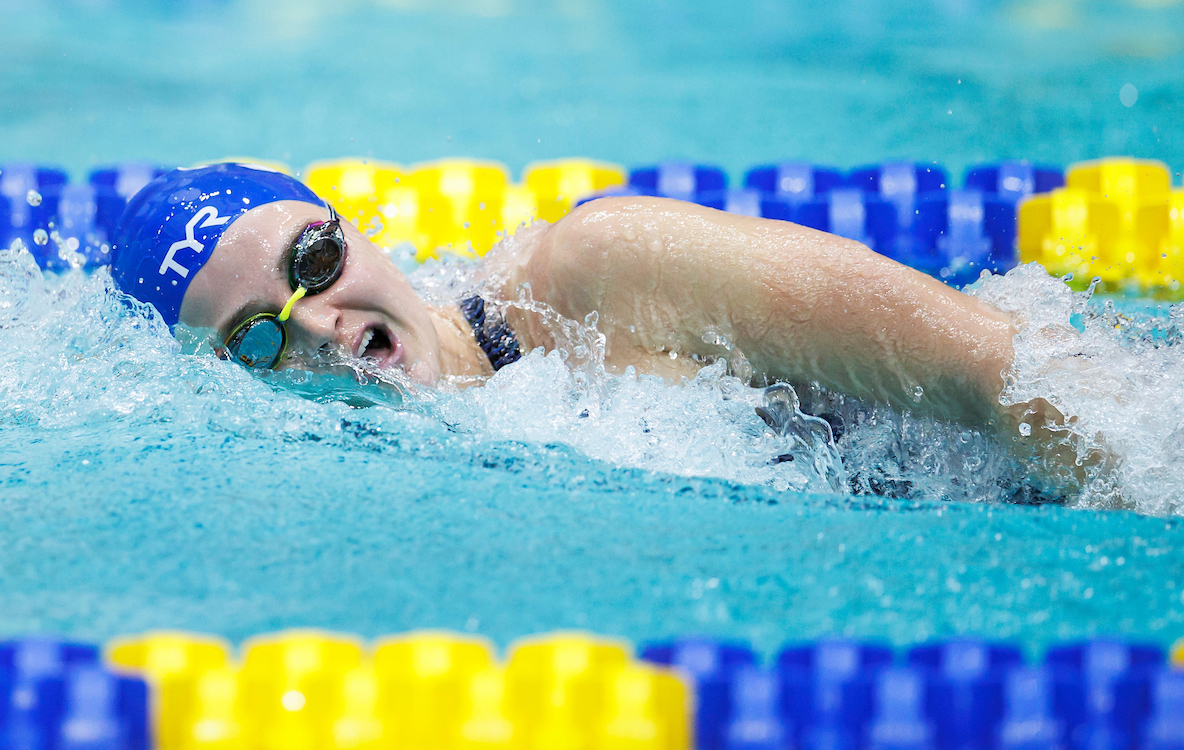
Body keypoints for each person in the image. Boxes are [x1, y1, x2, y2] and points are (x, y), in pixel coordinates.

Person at [112, 162, 1034, 445]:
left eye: (311, 260)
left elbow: (1007, 372)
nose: (319, 326)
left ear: (355, 228)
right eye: (257, 341)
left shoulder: (604, 272)